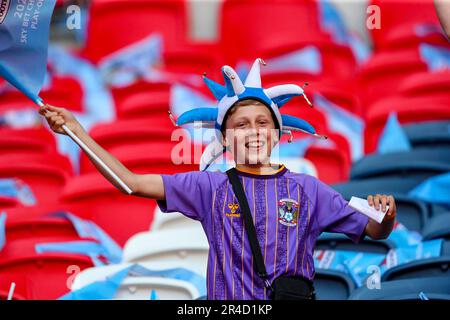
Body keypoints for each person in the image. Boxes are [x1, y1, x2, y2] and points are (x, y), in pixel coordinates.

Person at [40, 58, 397, 300]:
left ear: (276, 135)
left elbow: (374, 230)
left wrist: (388, 216)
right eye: (241, 125)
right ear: (225, 139)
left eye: (262, 124)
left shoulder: (308, 190)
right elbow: (129, 183)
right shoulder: (208, 187)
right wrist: (76, 132)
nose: (254, 132)